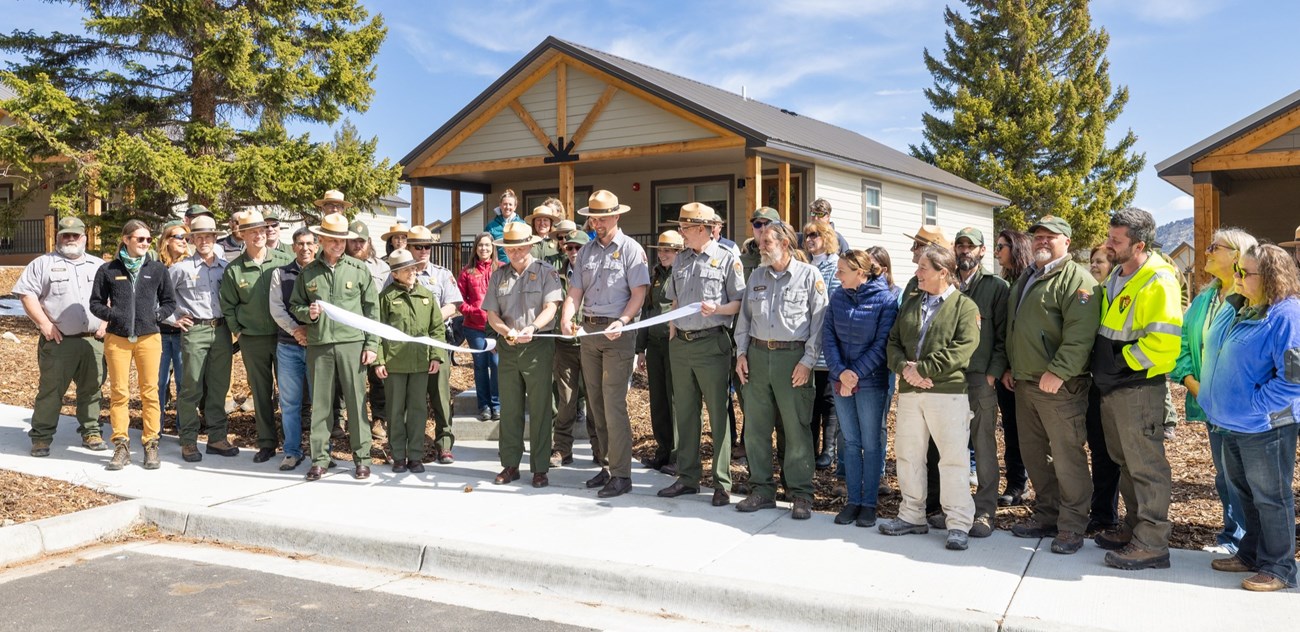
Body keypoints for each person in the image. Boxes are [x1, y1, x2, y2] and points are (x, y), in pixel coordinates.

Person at [1198, 243, 1300, 592]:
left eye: (1245, 272)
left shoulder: (1287, 316)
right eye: (1237, 270)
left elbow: (1293, 382)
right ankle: (1251, 552)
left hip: (1265, 427)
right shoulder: (1241, 307)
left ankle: (1280, 567)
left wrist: (1252, 405)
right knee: (1244, 493)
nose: (1237, 277)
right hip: (1232, 424)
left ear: (1271, 277)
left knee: (1271, 497)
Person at [1089, 208, 1184, 568]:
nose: (1109, 245)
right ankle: (1135, 527)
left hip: (1139, 387)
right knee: (1125, 462)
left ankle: (1153, 543)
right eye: (1110, 237)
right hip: (1116, 386)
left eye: (1117, 240)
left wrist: (1118, 362)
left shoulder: (1157, 280)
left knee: (1146, 465)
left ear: (1139, 244)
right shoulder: (1119, 274)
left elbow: (1164, 343)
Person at [1004, 215, 1101, 555]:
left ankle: (1073, 526)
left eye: (1051, 236)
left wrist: (1058, 371)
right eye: (1038, 236)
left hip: (1059, 387)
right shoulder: (1028, 277)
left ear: (1067, 242)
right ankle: (1047, 515)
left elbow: (1080, 336)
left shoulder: (1079, 281)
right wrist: (1011, 366)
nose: (1042, 241)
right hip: (1025, 383)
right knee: (1035, 456)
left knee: (1067, 457)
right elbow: (1015, 326)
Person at [878, 244, 980, 550]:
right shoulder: (911, 303)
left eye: (923, 268)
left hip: (947, 394)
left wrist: (922, 369)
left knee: (953, 460)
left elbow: (962, 350)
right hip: (910, 393)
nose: (916, 273)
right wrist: (904, 369)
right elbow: (893, 341)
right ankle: (912, 515)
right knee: (909, 455)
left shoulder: (965, 308)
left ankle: (959, 523)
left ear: (943, 273)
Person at [1171, 228, 1257, 556]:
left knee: (1248, 477)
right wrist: (1196, 388)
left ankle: (1252, 542)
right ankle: (1233, 536)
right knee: (1225, 474)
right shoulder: (1204, 299)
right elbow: (1181, 344)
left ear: (1237, 255)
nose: (1206, 252)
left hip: (1246, 405)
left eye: (1213, 247)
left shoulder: (1254, 297)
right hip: (1211, 403)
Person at [734, 221, 828, 519]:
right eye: (760, 241)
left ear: (785, 243)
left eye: (766, 242)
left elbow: (820, 323)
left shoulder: (808, 275)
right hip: (758, 357)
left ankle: (801, 493)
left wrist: (807, 361)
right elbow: (745, 320)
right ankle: (761, 489)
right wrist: (741, 354)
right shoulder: (757, 276)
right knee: (757, 428)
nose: (760, 246)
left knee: (797, 428)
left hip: (793, 359)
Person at [560, 190, 650, 498]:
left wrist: (623, 321)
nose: (596, 223)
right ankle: (607, 465)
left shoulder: (631, 250)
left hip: (618, 335)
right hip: (589, 333)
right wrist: (566, 317)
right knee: (596, 406)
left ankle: (622, 475)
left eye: (601, 218)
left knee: (613, 405)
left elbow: (639, 294)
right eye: (592, 218)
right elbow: (575, 291)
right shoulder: (586, 252)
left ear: (616, 216)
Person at [659, 204, 745, 506]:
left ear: (702, 228)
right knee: (684, 412)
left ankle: (722, 483)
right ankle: (687, 477)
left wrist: (717, 309)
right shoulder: (681, 259)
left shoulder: (727, 259)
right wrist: (672, 331)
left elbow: (739, 303)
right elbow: (674, 301)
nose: (680, 232)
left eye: (685, 227)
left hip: (712, 343)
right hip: (681, 344)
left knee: (718, 415)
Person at [290, 211, 380, 481]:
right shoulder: (308, 273)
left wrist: (372, 344)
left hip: (352, 344)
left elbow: (371, 310)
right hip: (320, 345)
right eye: (333, 239)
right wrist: (309, 314)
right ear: (321, 239)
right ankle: (320, 458)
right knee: (321, 404)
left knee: (355, 402)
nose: (339, 245)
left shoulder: (358, 270)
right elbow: (296, 305)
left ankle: (362, 458)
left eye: (343, 240)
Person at [15, 216, 108, 457]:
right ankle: (41, 437)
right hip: (59, 341)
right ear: (58, 238)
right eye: (65, 235)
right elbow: (27, 294)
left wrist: (107, 322)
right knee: (51, 390)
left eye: (74, 235)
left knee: (92, 389)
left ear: (84, 238)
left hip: (93, 340)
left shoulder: (99, 265)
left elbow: (114, 297)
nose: (70, 239)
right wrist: (44, 323)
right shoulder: (41, 264)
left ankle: (91, 431)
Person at [90, 220, 176, 470]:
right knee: (119, 393)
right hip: (117, 339)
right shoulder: (108, 270)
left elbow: (169, 302)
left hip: (149, 338)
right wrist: (114, 316)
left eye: (149, 240)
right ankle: (121, 445)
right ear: (126, 239)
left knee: (151, 392)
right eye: (140, 239)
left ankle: (151, 443)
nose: (145, 243)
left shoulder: (157, 269)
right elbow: (95, 303)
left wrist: (156, 316)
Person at [484, 224, 564, 488]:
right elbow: (492, 314)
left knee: (541, 408)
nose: (515, 252)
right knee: (510, 408)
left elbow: (551, 307)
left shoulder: (546, 272)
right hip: (508, 348)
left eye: (520, 246)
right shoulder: (499, 276)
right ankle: (510, 465)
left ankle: (540, 468)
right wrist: (504, 330)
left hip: (537, 346)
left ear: (530, 245)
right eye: (510, 247)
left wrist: (533, 327)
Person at [824, 249, 898, 528]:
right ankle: (852, 501)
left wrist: (855, 373)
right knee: (851, 443)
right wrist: (841, 372)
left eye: (842, 271)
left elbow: (882, 345)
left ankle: (869, 505)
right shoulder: (838, 297)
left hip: (870, 383)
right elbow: (828, 336)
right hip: (841, 380)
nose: (837, 275)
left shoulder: (886, 301)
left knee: (871, 442)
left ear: (860, 273)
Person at [221, 210, 294, 464]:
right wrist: (238, 330)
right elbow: (228, 305)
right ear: (242, 235)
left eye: (262, 230)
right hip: (252, 339)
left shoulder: (284, 260)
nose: (259, 235)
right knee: (261, 393)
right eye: (252, 231)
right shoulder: (234, 269)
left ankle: (292, 442)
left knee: (288, 391)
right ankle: (266, 442)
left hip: (283, 336)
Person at [951, 227, 1009, 539]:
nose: (964, 251)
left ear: (982, 251)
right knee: (951, 447)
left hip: (980, 378)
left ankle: (985, 511)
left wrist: (993, 372)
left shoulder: (995, 287)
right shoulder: (946, 283)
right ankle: (956, 509)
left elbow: (1003, 335)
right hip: (948, 379)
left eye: (970, 246)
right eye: (960, 245)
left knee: (983, 447)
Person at [168, 215, 235, 462]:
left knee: (218, 386)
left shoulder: (225, 268)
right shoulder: (181, 268)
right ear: (192, 240)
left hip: (221, 330)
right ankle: (188, 440)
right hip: (195, 330)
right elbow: (159, 299)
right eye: (199, 237)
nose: (204, 241)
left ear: (215, 238)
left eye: (208, 236)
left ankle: (217, 437)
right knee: (191, 387)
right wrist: (174, 317)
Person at [374, 248, 446, 474]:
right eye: (405, 269)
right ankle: (398, 456)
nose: (411, 272)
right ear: (394, 274)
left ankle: (415, 456)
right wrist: (379, 360)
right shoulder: (386, 298)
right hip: (394, 364)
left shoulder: (427, 296)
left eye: (413, 268)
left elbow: (437, 328)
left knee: (417, 411)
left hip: (420, 363)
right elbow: (376, 331)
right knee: (395, 411)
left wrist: (436, 355)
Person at [406, 224, 462, 462]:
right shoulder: (399, 272)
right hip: (409, 347)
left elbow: (454, 305)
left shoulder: (441, 274)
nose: (424, 251)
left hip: (437, 342)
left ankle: (444, 444)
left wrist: (429, 318)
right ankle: (414, 445)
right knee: (413, 399)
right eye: (419, 246)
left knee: (440, 397)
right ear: (409, 248)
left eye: (427, 246)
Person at [268, 227, 318, 470]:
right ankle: (292, 451)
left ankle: (321, 454)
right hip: (288, 346)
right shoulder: (281, 273)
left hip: (318, 347)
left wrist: (311, 332)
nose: (305, 248)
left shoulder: (325, 273)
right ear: (293, 246)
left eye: (309, 243)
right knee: (290, 403)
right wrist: (296, 330)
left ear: (316, 246)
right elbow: (277, 308)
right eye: (300, 243)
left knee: (321, 402)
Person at [551, 229, 600, 467]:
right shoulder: (555, 275)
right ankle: (561, 449)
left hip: (591, 343)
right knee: (566, 400)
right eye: (569, 247)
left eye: (578, 248)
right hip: (564, 346)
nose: (573, 252)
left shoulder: (596, 273)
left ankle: (600, 449)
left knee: (594, 399)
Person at [1082, 245, 1121, 534]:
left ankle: (1106, 515)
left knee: (1109, 454)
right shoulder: (1091, 296)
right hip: (1091, 385)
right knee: (1097, 449)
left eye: (1100, 261)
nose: (1094, 266)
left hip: (1115, 384)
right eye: (1092, 261)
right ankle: (1099, 510)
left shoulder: (1115, 296)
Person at [637, 230, 682, 472]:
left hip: (673, 342)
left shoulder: (683, 274)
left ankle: (678, 456)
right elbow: (647, 310)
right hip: (654, 344)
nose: (663, 254)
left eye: (668, 250)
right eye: (661, 250)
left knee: (674, 399)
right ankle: (663, 451)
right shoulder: (655, 275)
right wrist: (640, 349)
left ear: (678, 252)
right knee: (658, 400)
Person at [994, 229, 1033, 506]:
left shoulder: (1029, 280)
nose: (997, 252)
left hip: (1029, 373)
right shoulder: (1007, 283)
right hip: (1008, 373)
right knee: (1011, 429)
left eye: (1001, 247)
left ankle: (1030, 484)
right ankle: (1017, 483)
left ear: (1016, 248)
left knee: (1029, 432)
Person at [346, 220, 391, 441]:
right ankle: (341, 419)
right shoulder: (340, 265)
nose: (357, 245)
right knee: (344, 379)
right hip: (347, 331)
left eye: (361, 241)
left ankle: (379, 419)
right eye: (353, 240)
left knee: (378, 377)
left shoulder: (382, 267)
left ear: (369, 243)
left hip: (375, 328)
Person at [803, 221, 842, 472]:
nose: (809, 239)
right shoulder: (805, 265)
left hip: (827, 344)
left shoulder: (835, 264)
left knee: (828, 400)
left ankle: (828, 450)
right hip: (806, 344)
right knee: (810, 401)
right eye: (806, 235)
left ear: (826, 237)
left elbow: (833, 303)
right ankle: (810, 448)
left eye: (814, 235)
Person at [457, 233, 502, 421]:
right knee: (481, 366)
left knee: (497, 364)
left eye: (487, 245)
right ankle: (483, 406)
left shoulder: (501, 269)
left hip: (497, 327)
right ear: (475, 248)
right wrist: (473, 311)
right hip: (474, 327)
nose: (484, 249)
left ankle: (497, 404)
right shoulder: (467, 272)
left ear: (493, 248)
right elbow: (458, 299)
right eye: (480, 245)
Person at [156, 222, 189, 422]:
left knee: (184, 383)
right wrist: (171, 319)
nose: (184, 241)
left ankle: (183, 426)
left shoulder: (191, 265)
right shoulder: (154, 266)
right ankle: (154, 427)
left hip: (182, 334)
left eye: (187, 238)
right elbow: (150, 299)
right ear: (167, 240)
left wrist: (179, 321)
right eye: (179, 237)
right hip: (158, 332)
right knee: (158, 382)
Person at [485, 189, 526, 262]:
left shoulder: (522, 225)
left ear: (515, 206)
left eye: (510, 204)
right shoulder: (491, 227)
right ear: (500, 205)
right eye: (505, 204)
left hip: (519, 266)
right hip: (498, 267)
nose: (507, 207)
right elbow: (486, 248)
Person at [526, 201, 565, 267]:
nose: (542, 223)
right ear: (534, 223)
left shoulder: (558, 240)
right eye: (538, 220)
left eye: (545, 220)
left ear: (551, 223)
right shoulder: (527, 242)